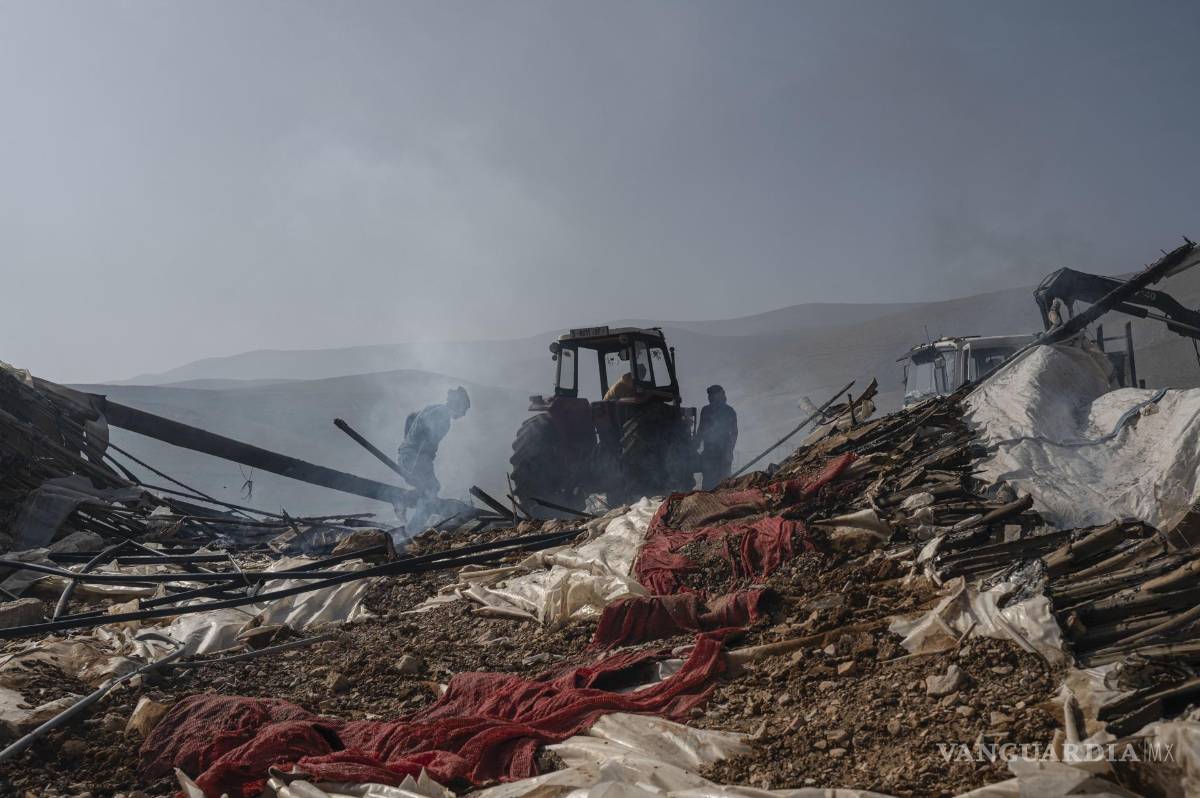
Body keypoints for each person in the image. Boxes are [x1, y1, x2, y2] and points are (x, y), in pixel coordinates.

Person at [397, 386, 470, 527]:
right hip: (415, 457)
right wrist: (416, 464)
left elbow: (411, 417)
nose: (464, 414)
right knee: (431, 492)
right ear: (457, 405)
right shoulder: (444, 417)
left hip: (409, 454)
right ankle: (409, 521)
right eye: (464, 409)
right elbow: (427, 442)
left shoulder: (434, 408)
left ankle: (407, 510)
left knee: (430, 489)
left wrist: (407, 444)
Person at [696, 384, 737, 489]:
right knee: (708, 484)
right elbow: (700, 430)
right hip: (709, 454)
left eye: (713, 395)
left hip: (724, 454)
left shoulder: (729, 411)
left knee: (724, 483)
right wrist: (695, 446)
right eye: (710, 396)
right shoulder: (706, 411)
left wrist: (729, 450)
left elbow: (734, 433)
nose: (710, 398)